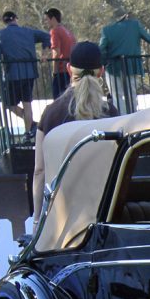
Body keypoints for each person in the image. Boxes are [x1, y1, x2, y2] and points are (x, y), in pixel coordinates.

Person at [32, 41, 118, 213]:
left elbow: (39, 170)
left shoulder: (51, 113)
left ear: (69, 69)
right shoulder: (111, 113)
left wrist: (36, 220)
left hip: (62, 212)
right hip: (102, 208)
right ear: (101, 71)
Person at [0, 10, 50, 133]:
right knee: (27, 104)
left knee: (9, 104)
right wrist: (44, 54)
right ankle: (29, 131)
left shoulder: (0, 34)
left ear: (4, 22)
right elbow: (46, 36)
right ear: (16, 19)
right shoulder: (28, 32)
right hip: (30, 73)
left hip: (13, 74)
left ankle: (32, 125)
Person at [99, 10, 150, 114]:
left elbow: (101, 49)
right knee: (131, 94)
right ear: (125, 16)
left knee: (116, 95)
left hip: (113, 67)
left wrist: (103, 63)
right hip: (131, 65)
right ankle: (132, 114)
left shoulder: (106, 30)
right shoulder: (135, 25)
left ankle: (120, 116)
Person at [42, 8, 76, 99]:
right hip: (71, 69)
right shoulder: (67, 31)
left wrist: (54, 72)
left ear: (53, 18)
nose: (46, 22)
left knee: (58, 100)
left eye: (47, 19)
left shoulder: (55, 31)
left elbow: (56, 53)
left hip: (61, 71)